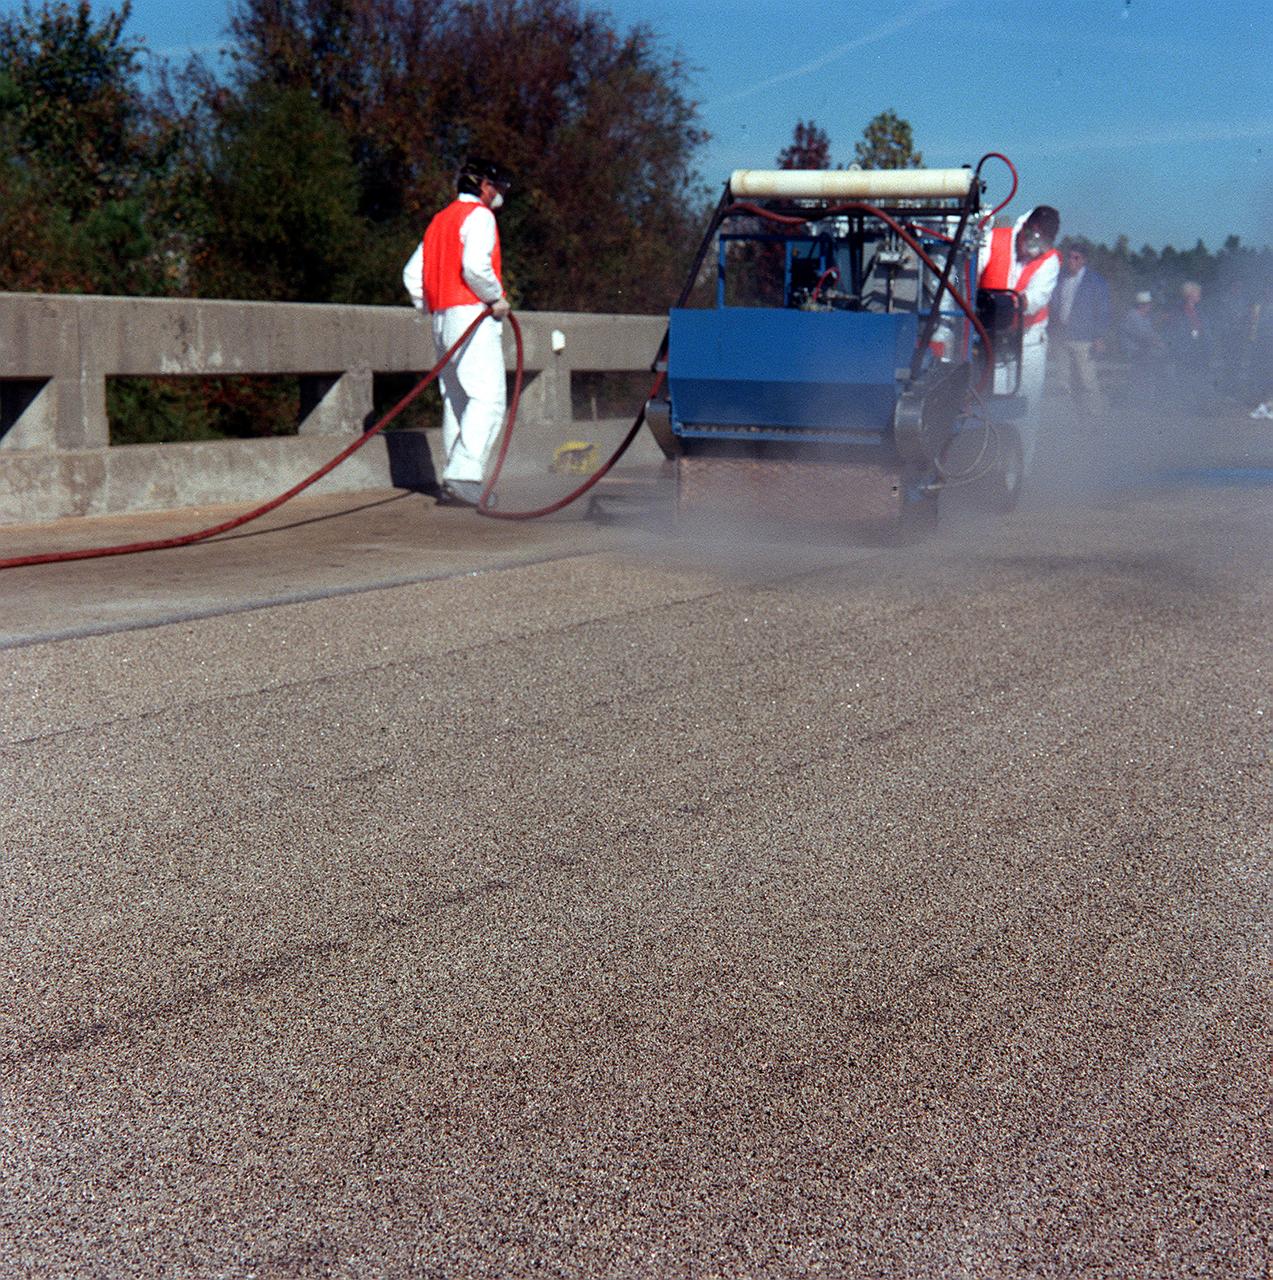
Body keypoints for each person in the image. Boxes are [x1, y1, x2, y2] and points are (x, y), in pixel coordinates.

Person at [402, 157, 512, 506]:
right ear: (483, 186)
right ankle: (464, 475)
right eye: (496, 188)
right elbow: (475, 267)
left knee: (457, 400)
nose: (498, 195)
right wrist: (495, 298)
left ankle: (454, 477)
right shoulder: (480, 216)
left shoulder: (439, 220)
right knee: (489, 399)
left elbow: (410, 274)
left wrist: (432, 304)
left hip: (442, 319)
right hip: (472, 316)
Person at [978, 205, 1061, 475]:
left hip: (1028, 341)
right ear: (1026, 228)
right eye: (1031, 241)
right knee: (990, 403)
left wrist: (1009, 303)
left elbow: (1036, 299)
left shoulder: (1050, 260)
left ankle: (1016, 473)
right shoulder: (995, 239)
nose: (1032, 250)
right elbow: (969, 271)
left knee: (1025, 408)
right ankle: (984, 465)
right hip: (989, 337)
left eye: (1041, 245)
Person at [1050, 242, 1111, 418]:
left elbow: (1103, 310)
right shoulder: (1060, 278)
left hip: (1084, 339)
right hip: (1061, 337)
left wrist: (1099, 336)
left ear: (1083, 260)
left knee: (1087, 381)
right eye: (1069, 257)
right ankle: (1069, 417)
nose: (1071, 261)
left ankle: (1094, 417)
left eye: (1076, 258)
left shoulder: (1095, 281)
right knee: (1063, 382)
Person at [1165, 281, 1212, 412]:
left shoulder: (1199, 310)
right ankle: (1186, 405)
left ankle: (1198, 405)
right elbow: (1177, 331)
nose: (1199, 295)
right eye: (1197, 293)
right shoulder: (1179, 310)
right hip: (1186, 349)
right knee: (1186, 376)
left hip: (1198, 349)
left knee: (1198, 376)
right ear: (1190, 295)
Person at [1118, 290, 1166, 409]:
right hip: (1134, 352)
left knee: (1159, 362)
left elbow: (1151, 334)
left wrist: (1160, 342)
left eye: (1150, 304)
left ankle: (1151, 399)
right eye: (1147, 304)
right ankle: (1142, 401)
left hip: (1143, 352)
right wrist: (1158, 343)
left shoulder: (1145, 318)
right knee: (1152, 366)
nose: (1150, 306)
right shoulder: (1132, 316)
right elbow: (1143, 336)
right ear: (1141, 304)